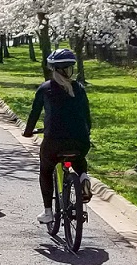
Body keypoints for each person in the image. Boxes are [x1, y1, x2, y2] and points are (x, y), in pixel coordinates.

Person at [21, 49, 92, 225]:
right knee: (79, 159)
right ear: (71, 69)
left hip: (54, 142)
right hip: (80, 141)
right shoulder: (79, 88)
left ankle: (47, 212)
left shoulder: (45, 88)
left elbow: (34, 113)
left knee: (45, 170)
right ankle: (83, 178)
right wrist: (86, 132)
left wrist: (28, 131)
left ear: (53, 69)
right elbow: (86, 115)